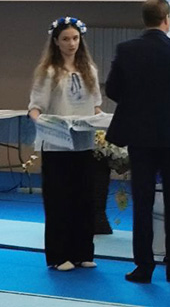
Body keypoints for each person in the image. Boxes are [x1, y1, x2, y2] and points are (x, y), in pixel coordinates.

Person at [105, 0, 170, 284]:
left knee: (143, 203)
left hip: (140, 137)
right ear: (167, 20)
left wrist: (137, 100)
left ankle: (143, 267)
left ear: (145, 20)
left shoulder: (126, 50)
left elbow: (112, 90)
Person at [28, 17, 102, 271]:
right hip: (57, 145)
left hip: (83, 144)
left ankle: (83, 252)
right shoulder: (49, 72)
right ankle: (59, 255)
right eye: (66, 39)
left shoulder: (89, 70)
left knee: (84, 199)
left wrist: (102, 123)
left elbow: (96, 106)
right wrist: (42, 123)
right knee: (59, 200)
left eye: (75, 38)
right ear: (56, 42)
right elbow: (35, 108)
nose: (71, 44)